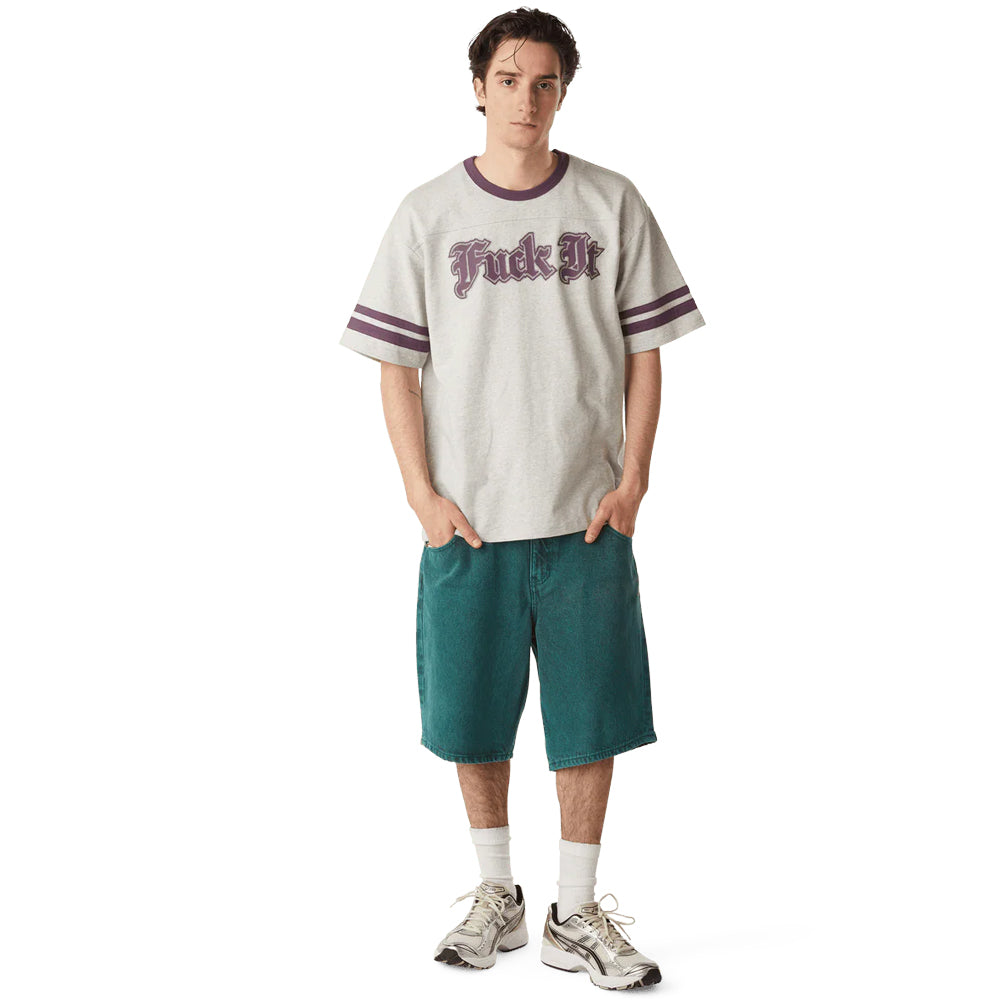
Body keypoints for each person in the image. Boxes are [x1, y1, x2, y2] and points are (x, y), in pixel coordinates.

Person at [340, 7, 706, 990]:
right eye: (508, 79)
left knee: (593, 718)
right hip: (469, 519)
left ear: (563, 93)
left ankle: (574, 912)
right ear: (477, 87)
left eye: (545, 82)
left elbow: (646, 350)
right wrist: (421, 497)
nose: (526, 98)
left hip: (585, 517)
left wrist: (634, 480)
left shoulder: (610, 202)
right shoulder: (427, 214)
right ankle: (496, 892)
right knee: (471, 715)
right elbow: (394, 366)